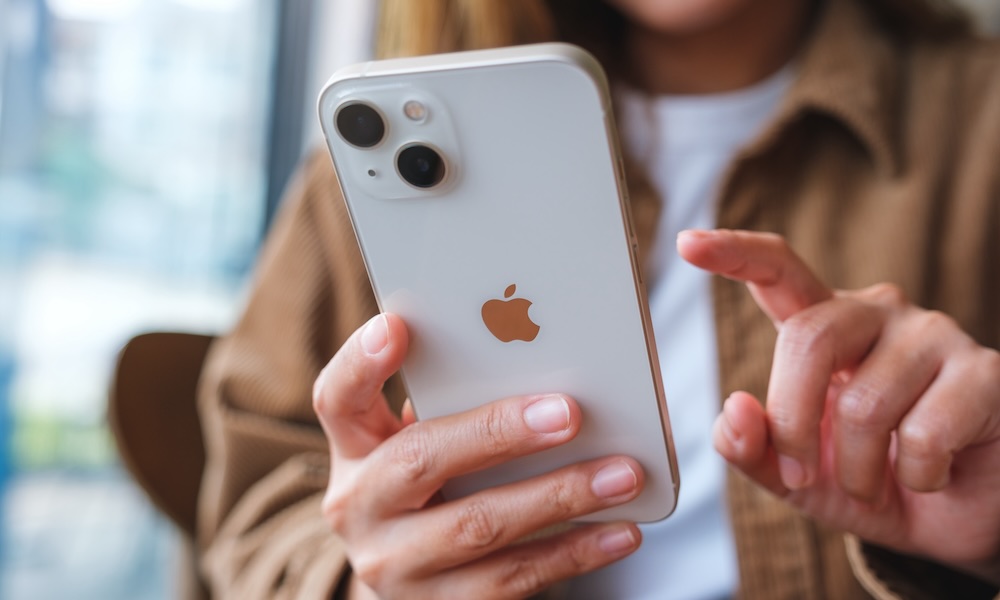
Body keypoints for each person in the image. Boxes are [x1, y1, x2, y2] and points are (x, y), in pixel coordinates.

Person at [195, 0, 1000, 598]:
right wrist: (364, 580)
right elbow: (251, 511)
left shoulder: (979, 127)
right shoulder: (372, 173)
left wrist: (985, 543)